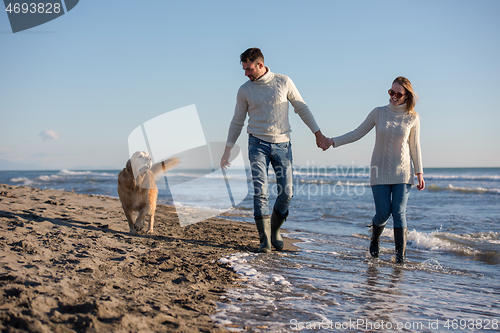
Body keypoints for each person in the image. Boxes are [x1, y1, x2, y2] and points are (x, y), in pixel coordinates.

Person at [221, 47, 330, 253]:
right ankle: (264, 240)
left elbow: (302, 108)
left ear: (260, 65)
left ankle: (274, 231)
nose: (246, 73)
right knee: (260, 192)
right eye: (244, 69)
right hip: (257, 145)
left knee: (287, 193)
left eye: (249, 69)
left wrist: (318, 133)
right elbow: (237, 121)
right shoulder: (244, 90)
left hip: (283, 145)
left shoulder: (283, 82)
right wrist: (228, 149)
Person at [327, 76, 425, 264]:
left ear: (406, 96)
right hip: (379, 171)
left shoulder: (412, 117)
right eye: (391, 92)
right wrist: (333, 141)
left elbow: (415, 146)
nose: (394, 96)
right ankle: (375, 239)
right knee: (383, 213)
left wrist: (419, 172)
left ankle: (400, 259)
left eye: (398, 94)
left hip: (403, 172)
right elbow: (357, 133)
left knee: (398, 211)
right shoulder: (378, 113)